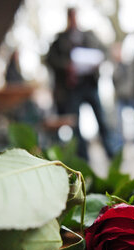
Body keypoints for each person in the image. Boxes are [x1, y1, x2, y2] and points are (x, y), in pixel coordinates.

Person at [46, 7, 113, 160]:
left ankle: (111, 153)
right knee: (76, 125)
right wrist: (66, 66)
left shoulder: (89, 36)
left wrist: (97, 61)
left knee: (101, 119)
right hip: (72, 88)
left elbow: (104, 52)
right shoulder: (60, 40)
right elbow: (50, 60)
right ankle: (83, 159)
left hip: (90, 84)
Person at [111, 42, 134, 151]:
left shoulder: (129, 64)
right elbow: (114, 80)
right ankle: (119, 146)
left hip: (132, 95)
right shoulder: (115, 66)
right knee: (118, 122)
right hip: (121, 96)